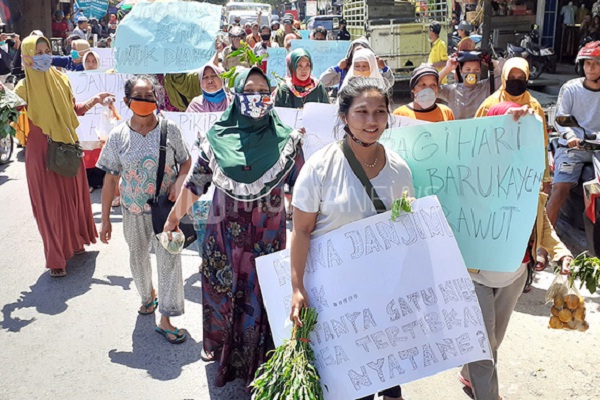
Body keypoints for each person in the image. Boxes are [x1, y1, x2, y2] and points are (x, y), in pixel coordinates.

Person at [163, 67, 304, 386]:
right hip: (222, 236)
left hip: (266, 239)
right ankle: (220, 348)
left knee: (259, 294)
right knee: (222, 291)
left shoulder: (289, 141)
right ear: (237, 96)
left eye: (263, 91)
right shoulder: (216, 138)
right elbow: (196, 184)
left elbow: (304, 188)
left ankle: (257, 358)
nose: (257, 98)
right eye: (249, 91)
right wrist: (174, 218)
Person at [290, 77, 412, 400]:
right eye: (362, 112)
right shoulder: (320, 168)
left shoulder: (400, 170)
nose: (371, 121)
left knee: (377, 378)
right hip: (335, 303)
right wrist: (297, 287)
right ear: (344, 117)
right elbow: (301, 230)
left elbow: (404, 232)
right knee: (345, 389)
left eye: (379, 112)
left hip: (382, 301)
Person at [459, 102, 573, 400]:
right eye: (504, 135)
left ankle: (467, 371)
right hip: (476, 276)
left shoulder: (526, 181)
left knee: (492, 341)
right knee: (483, 348)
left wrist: (561, 252)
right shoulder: (466, 179)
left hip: (514, 276)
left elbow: (543, 224)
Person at [97, 75, 191, 344]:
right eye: (139, 97)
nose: (145, 101)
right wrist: (105, 220)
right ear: (127, 101)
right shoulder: (117, 136)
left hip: (166, 213)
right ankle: (147, 297)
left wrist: (180, 184)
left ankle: (166, 318)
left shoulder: (169, 129)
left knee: (169, 262)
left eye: (150, 96)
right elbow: (110, 179)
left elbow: (186, 162)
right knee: (137, 259)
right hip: (132, 211)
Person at [12, 35, 112, 277]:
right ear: (27, 56)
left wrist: (94, 101)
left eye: (47, 51)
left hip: (67, 147)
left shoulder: (62, 80)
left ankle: (76, 242)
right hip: (41, 153)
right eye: (38, 52)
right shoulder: (22, 89)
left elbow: (73, 110)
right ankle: (56, 257)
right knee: (50, 206)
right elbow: (10, 117)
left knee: (72, 198)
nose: (44, 56)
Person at [475, 57, 551, 190]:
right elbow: (476, 140)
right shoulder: (489, 105)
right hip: (494, 171)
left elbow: (542, 146)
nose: (516, 81)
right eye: (512, 76)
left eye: (521, 77)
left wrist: (545, 180)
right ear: (504, 77)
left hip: (524, 173)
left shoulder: (534, 107)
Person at [546, 41, 600, 226]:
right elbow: (561, 117)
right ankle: (542, 245)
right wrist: (570, 136)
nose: (591, 68)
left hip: (598, 148)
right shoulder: (571, 88)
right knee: (560, 190)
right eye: (587, 63)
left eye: (597, 63)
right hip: (573, 148)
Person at [437, 51, 504, 119]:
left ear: (480, 71)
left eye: (476, 69)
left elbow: (505, 71)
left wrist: (490, 62)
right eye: (468, 69)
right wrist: (447, 69)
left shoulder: (486, 86)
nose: (472, 73)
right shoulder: (452, 90)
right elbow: (431, 87)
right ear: (461, 71)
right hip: (459, 128)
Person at [320, 37, 395, 90]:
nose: (361, 69)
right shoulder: (345, 71)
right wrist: (337, 68)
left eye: (364, 66)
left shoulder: (374, 71)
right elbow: (323, 82)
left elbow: (388, 83)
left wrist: (384, 68)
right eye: (357, 66)